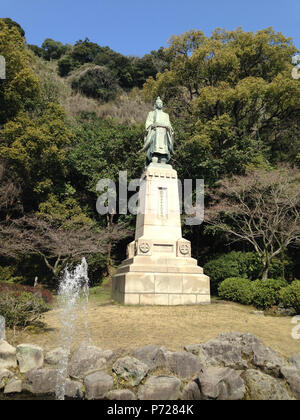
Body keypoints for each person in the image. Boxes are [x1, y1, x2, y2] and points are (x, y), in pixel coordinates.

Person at [142, 97, 174, 166]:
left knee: (164, 153)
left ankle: (164, 159)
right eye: (158, 103)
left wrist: (168, 128)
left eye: (161, 103)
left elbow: (170, 126)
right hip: (155, 133)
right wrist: (153, 125)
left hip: (164, 135)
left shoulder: (166, 115)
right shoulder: (151, 114)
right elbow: (148, 125)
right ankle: (154, 158)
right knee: (155, 152)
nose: (160, 104)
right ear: (156, 104)